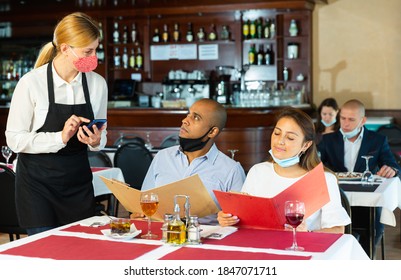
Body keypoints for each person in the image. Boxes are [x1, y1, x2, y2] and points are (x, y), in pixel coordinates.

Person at [5, 12, 108, 235]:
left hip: (78, 183)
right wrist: (59, 137)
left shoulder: (98, 84)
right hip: (37, 187)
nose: (94, 56)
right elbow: (14, 139)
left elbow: (102, 134)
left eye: (96, 49)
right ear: (64, 49)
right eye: (87, 51)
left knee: (82, 253)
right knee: (46, 257)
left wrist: (96, 140)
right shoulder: (31, 83)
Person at [218, 107, 350, 233]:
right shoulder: (258, 171)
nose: (280, 141)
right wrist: (229, 219)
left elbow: (338, 230)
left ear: (306, 145)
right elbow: (243, 221)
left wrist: (307, 232)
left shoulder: (324, 179)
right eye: (277, 133)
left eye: (290, 138)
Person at [140, 98, 246, 224]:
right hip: (162, 234)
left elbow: (241, 221)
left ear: (212, 132)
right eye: (188, 114)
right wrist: (140, 215)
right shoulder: (162, 157)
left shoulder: (231, 170)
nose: (185, 121)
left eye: (196, 117)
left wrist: (229, 220)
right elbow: (144, 201)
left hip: (205, 238)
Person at [317, 99, 401, 254]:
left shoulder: (377, 140)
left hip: (366, 205)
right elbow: (315, 163)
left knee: (370, 233)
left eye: (351, 119)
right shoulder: (329, 140)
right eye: (342, 118)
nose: (345, 124)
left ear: (363, 120)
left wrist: (392, 170)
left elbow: (393, 165)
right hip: (337, 202)